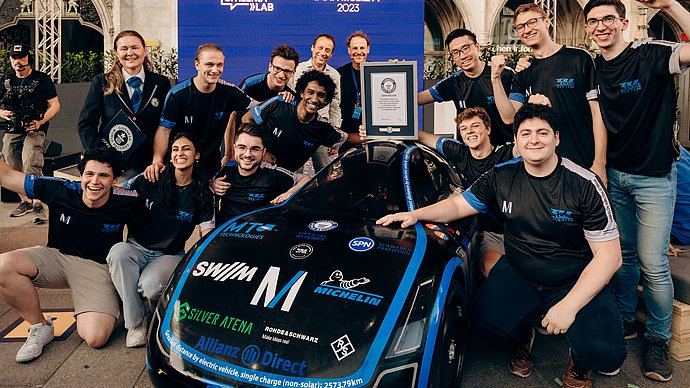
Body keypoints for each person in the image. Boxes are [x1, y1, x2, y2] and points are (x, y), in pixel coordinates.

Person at [378, 104, 626, 388]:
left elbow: (610, 257)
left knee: (607, 356)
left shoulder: (584, 183)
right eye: (526, 133)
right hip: (520, 270)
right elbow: (458, 205)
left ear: (556, 138)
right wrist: (416, 214)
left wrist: (570, 306)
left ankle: (579, 359)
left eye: (542, 133)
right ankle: (525, 331)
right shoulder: (502, 175)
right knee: (485, 325)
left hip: (572, 276)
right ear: (517, 141)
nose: (534, 140)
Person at [583, 0, 690, 382]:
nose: (600, 26)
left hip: (655, 177)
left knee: (654, 263)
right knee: (624, 256)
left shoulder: (651, 54)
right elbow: (597, 119)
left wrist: (672, 5)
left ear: (623, 22)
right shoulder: (594, 66)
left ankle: (658, 340)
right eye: (593, 21)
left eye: (608, 18)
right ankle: (627, 318)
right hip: (616, 177)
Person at [0, 148, 141, 363]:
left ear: (115, 180)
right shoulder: (59, 189)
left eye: (103, 175)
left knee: (95, 338)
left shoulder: (128, 199)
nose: (95, 181)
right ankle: (40, 327)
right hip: (56, 257)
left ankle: (111, 300)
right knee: (3, 265)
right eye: (89, 174)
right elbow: (7, 176)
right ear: (81, 175)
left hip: (95, 266)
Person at [360, 106, 517, 277]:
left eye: (475, 126)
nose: (469, 131)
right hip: (490, 233)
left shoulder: (508, 153)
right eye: (464, 129)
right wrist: (376, 132)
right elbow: (419, 135)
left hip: (520, 228)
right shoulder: (459, 152)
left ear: (487, 128)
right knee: (494, 271)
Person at [107, 133, 214, 347]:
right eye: (175, 149)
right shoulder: (152, 178)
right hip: (136, 247)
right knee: (118, 253)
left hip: (169, 254)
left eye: (186, 148)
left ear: (197, 155)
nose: (179, 153)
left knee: (150, 286)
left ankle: (150, 304)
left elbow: (208, 233)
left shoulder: (203, 192)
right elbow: (115, 194)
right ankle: (136, 323)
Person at [495, 3, 607, 183]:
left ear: (546, 22)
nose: (527, 30)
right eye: (521, 27)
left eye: (532, 22)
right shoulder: (524, 70)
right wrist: (495, 78)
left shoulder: (579, 58)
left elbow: (597, 113)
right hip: (545, 169)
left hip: (583, 163)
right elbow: (509, 117)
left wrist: (600, 163)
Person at [145, 43, 251, 182]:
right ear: (197, 64)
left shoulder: (229, 92)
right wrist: (157, 160)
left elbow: (257, 110)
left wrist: (283, 97)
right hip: (180, 167)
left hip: (210, 169)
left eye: (219, 65)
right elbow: (164, 130)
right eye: (209, 64)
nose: (215, 70)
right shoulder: (178, 94)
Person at [78, 30, 171, 179]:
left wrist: (159, 159)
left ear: (144, 50)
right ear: (116, 53)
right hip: (115, 168)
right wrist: (101, 158)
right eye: (124, 48)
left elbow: (167, 125)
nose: (130, 53)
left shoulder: (161, 83)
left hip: (150, 167)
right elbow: (86, 124)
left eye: (134, 47)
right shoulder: (102, 82)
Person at [418, 29, 515, 145]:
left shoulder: (505, 74)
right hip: (471, 154)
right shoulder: (453, 82)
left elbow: (515, 116)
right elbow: (417, 99)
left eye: (466, 48)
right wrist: (398, 74)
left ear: (477, 47)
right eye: (455, 52)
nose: (462, 56)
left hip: (505, 151)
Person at [0, 43, 60, 224]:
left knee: (31, 159)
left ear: (28, 57)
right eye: (15, 58)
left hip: (35, 127)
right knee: (10, 160)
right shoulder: (6, 80)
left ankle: (37, 202)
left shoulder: (42, 79)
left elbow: (55, 105)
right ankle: (24, 201)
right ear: (10, 60)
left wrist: (40, 121)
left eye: (22, 57)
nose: (18, 61)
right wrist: (2, 113)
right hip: (12, 128)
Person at [243, 69, 347, 172]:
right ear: (302, 93)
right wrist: (260, 152)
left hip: (287, 177)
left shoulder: (322, 127)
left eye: (321, 95)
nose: (314, 99)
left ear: (326, 101)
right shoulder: (279, 103)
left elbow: (350, 138)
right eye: (310, 92)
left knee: (306, 180)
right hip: (257, 168)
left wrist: (363, 133)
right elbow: (246, 119)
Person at [212, 123, 309, 225]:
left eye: (255, 149)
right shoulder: (224, 170)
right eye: (242, 147)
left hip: (258, 233)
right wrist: (211, 185)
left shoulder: (272, 173)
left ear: (263, 152)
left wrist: (290, 192)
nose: (247, 154)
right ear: (234, 148)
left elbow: (307, 179)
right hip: (223, 234)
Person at [224, 45, 300, 164]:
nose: (281, 75)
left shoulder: (291, 96)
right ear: (270, 66)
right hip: (239, 139)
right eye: (277, 68)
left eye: (287, 71)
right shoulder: (250, 84)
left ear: (293, 72)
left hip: (266, 145)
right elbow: (232, 117)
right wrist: (229, 153)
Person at [288, 34, 342, 172]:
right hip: (297, 128)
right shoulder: (298, 69)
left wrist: (334, 138)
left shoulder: (335, 75)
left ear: (331, 54)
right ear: (312, 48)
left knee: (325, 173)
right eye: (320, 48)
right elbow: (289, 99)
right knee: (293, 171)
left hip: (321, 129)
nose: (323, 53)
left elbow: (335, 106)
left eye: (328, 50)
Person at [337, 31, 371, 150]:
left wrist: (392, 67)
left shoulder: (377, 72)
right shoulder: (339, 74)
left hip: (371, 133)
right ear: (349, 51)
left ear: (368, 49)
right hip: (346, 133)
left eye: (362, 48)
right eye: (354, 48)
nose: (358, 51)